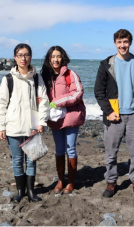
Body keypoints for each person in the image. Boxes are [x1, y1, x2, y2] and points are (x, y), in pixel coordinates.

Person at [94, 29, 134, 198]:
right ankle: (111, 181)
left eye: (125, 42)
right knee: (111, 152)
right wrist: (108, 111)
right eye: (119, 42)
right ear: (114, 44)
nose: (122, 45)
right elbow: (99, 91)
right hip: (114, 115)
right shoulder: (106, 64)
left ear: (130, 43)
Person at [0, 43, 49, 203]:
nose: (23, 58)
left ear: (30, 57)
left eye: (26, 55)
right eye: (20, 55)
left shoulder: (37, 78)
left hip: (32, 126)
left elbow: (44, 101)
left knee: (31, 159)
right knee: (17, 160)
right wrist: (1, 126)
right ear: (15, 57)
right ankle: (20, 191)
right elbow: (1, 103)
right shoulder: (8, 79)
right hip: (13, 127)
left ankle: (31, 192)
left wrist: (41, 122)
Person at [41, 46, 85, 194]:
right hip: (55, 119)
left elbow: (78, 93)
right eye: (53, 56)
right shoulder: (45, 76)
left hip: (71, 117)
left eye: (58, 56)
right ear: (49, 58)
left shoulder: (70, 74)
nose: (56, 59)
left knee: (71, 148)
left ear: (63, 57)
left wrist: (58, 102)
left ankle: (71, 182)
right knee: (59, 149)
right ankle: (61, 180)